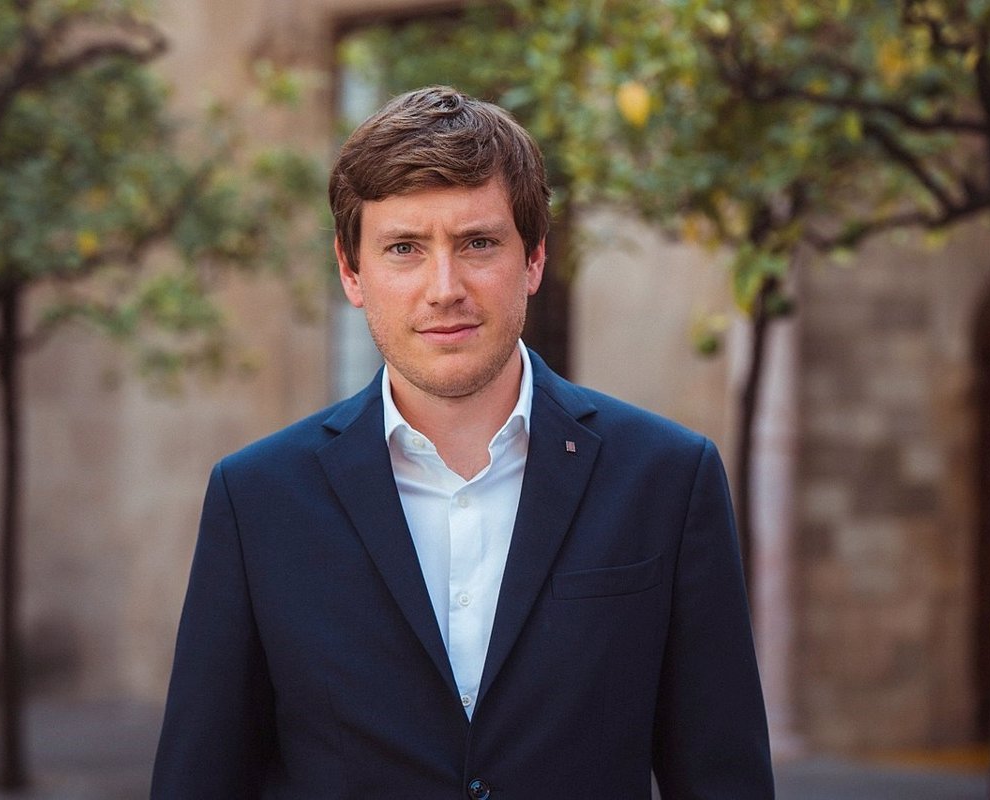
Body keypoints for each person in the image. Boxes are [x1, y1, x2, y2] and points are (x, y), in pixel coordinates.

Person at [151, 85, 774, 799]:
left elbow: (724, 778)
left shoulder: (667, 479)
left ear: (534, 259)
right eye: (404, 249)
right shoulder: (258, 498)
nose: (444, 288)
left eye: (477, 243)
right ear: (351, 272)